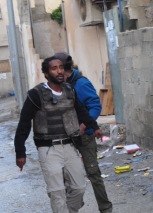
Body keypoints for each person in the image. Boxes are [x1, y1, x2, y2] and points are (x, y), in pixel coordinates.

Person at [14, 56, 103, 213]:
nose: (59, 71)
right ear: (46, 74)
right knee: (57, 192)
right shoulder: (35, 95)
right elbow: (24, 123)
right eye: (54, 68)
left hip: (69, 145)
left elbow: (81, 111)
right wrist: (20, 151)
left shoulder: (70, 91)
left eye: (61, 67)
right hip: (48, 149)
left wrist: (93, 126)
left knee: (79, 187)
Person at [54, 52, 113, 213]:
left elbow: (95, 106)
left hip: (85, 136)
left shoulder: (81, 83)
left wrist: (84, 125)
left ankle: (106, 208)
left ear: (65, 70)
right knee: (67, 177)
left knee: (93, 173)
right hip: (67, 139)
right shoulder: (59, 86)